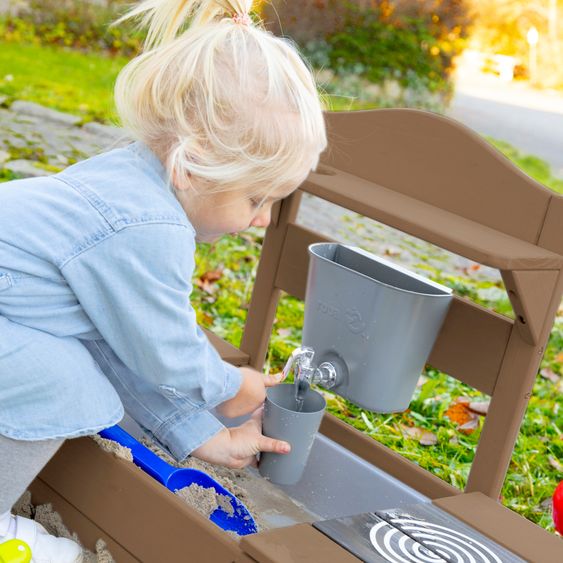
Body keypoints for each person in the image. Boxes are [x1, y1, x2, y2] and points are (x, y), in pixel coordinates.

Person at [0, 0, 327, 559]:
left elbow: (120, 350)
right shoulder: (148, 228)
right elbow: (165, 355)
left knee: (71, 364)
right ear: (194, 164)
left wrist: (204, 436)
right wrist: (231, 387)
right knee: (64, 379)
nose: (263, 219)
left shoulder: (127, 180)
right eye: (256, 197)